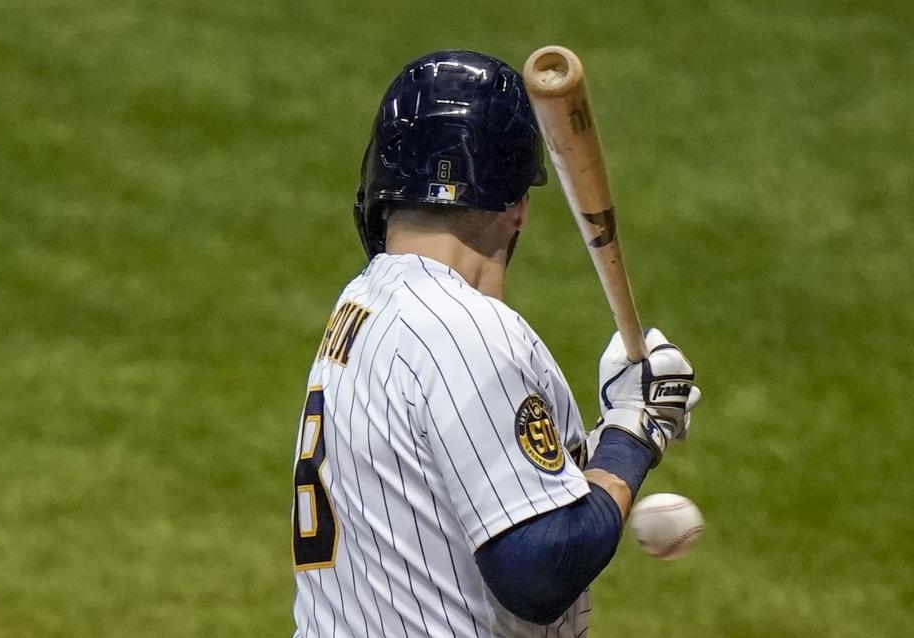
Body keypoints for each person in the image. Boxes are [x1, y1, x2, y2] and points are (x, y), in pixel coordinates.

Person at [291, 50, 701, 637]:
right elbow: (537, 570)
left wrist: (597, 443)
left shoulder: (361, 308)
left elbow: (449, 489)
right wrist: (633, 434)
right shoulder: (467, 329)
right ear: (518, 208)